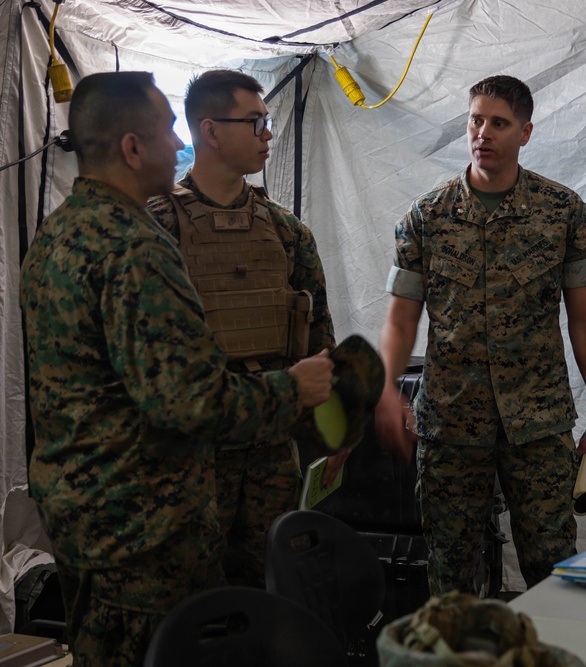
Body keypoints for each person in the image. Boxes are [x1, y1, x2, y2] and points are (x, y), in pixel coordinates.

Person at [19, 71, 333, 667]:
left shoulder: (57, 235)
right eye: (167, 130)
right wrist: (292, 389)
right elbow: (188, 403)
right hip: (143, 528)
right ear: (133, 149)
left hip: (86, 517)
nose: (177, 142)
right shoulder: (135, 245)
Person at [374, 75, 586, 595]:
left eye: (499, 123)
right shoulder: (426, 217)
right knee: (451, 573)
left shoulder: (565, 214)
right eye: (475, 120)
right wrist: (386, 389)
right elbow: (401, 318)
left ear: (525, 132)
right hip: (452, 424)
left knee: (552, 571)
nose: (483, 133)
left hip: (538, 423)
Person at [147, 69, 337, 588]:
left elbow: (320, 342)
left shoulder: (286, 231)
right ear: (210, 132)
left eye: (267, 121)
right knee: (191, 598)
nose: (268, 134)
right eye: (255, 122)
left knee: (273, 591)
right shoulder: (154, 229)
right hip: (189, 458)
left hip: (272, 452)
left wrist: (334, 436)